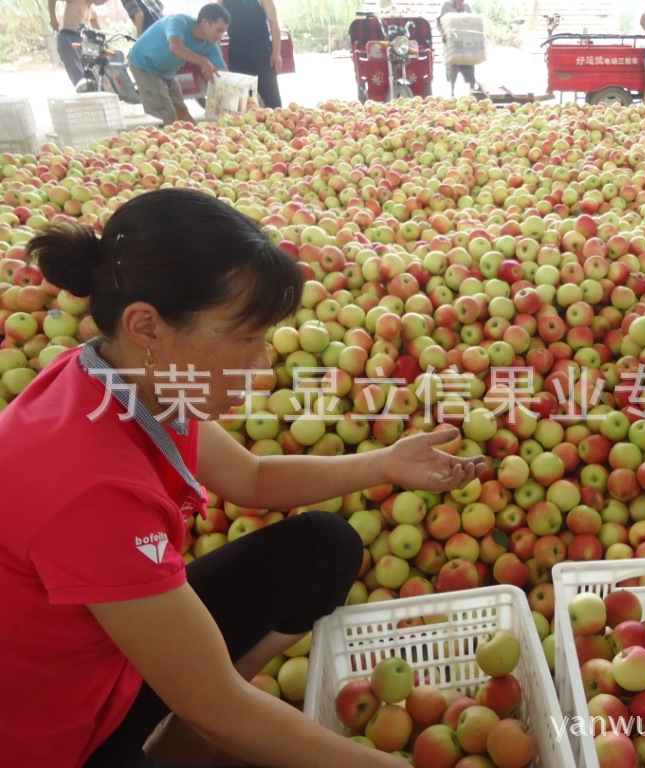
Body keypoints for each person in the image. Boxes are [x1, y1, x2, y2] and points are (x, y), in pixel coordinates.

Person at [0, 187, 485, 768]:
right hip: (57, 737)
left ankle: (179, 748)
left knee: (325, 546)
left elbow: (251, 478)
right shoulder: (88, 483)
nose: (263, 364)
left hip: (114, 656)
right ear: (147, 326)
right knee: (223, 717)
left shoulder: (126, 381)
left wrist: (384, 464)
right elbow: (224, 708)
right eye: (246, 338)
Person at [127, 3, 230, 125]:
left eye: (222, 32)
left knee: (181, 109)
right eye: (218, 30)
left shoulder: (211, 45)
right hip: (143, 65)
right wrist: (203, 61)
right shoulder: (178, 22)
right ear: (205, 22)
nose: (219, 36)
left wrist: (240, 98)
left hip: (166, 72)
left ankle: (197, 139)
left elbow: (223, 74)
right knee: (168, 113)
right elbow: (175, 47)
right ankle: (170, 140)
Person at [221, 0, 284, 109]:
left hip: (262, 54)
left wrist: (276, 53)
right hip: (237, 54)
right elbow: (218, 20)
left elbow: (273, 22)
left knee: (273, 102)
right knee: (243, 104)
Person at [48, 0, 105, 86]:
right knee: (79, 78)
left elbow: (99, 33)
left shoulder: (92, 13)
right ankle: (84, 94)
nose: (104, 2)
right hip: (68, 37)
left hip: (83, 43)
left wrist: (105, 44)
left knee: (94, 78)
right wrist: (53, 19)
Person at [437, 0, 478, 97]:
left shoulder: (467, 7)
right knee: (453, 67)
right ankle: (452, 93)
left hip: (465, 43)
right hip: (451, 42)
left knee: (469, 66)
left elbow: (473, 22)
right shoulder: (446, 5)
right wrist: (442, 33)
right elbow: (438, 21)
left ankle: (472, 92)